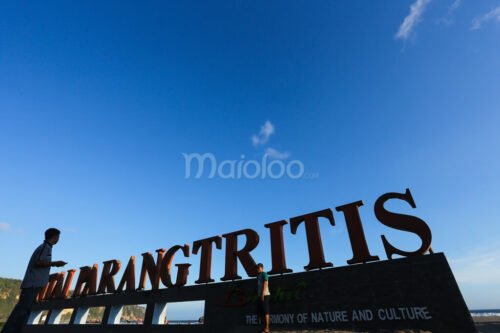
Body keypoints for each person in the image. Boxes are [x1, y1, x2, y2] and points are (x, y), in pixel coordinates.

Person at [1, 228, 67, 333]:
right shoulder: (45, 247)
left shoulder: (45, 247)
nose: (58, 239)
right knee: (21, 311)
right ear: (54, 236)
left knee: (23, 311)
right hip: (32, 284)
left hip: (33, 284)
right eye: (58, 236)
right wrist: (55, 263)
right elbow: (39, 262)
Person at [256, 263, 271, 333]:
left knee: (266, 311)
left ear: (261, 268)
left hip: (265, 295)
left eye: (258, 268)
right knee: (261, 312)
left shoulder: (264, 274)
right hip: (259, 296)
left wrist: (262, 293)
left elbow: (265, 283)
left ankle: (267, 328)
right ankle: (263, 328)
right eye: (257, 268)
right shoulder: (258, 275)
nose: (257, 269)